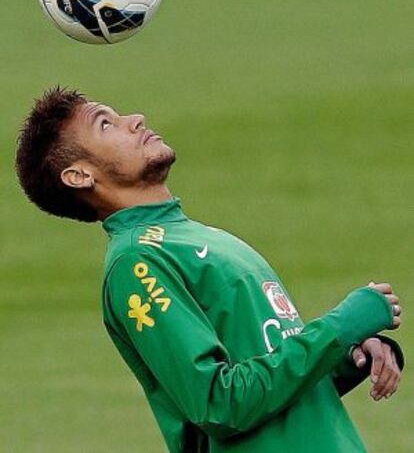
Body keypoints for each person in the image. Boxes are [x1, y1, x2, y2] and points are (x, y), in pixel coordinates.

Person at [16, 87, 404, 452]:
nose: (135, 119)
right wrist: (338, 327)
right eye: (106, 124)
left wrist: (347, 355)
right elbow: (220, 404)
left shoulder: (194, 237)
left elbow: (269, 381)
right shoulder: (137, 263)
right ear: (79, 175)